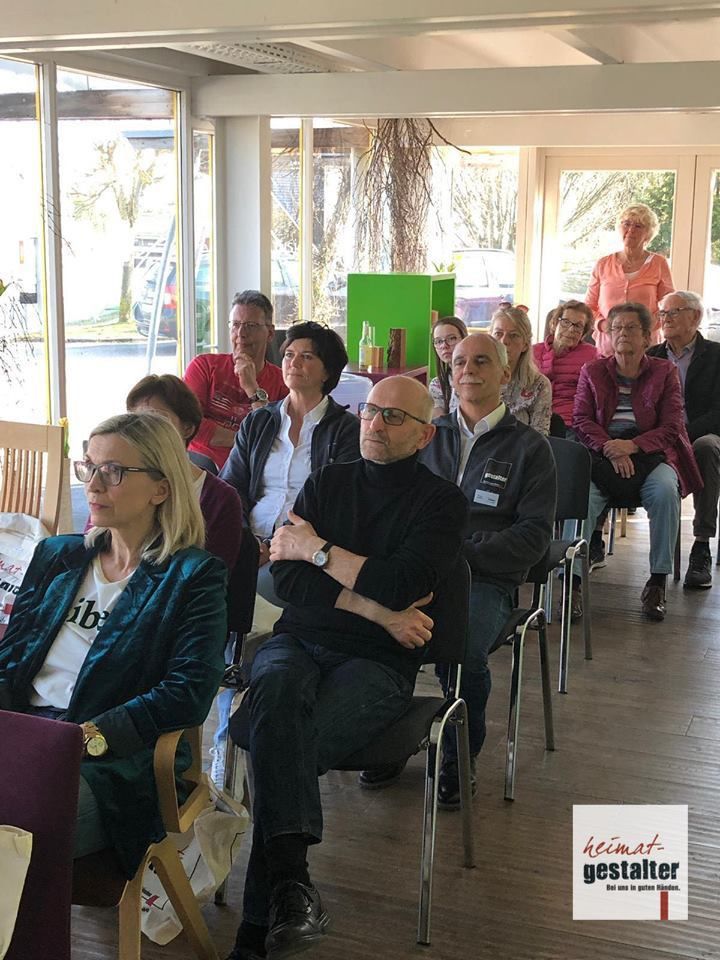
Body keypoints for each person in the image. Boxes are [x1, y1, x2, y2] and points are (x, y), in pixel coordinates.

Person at [224, 376, 467, 960]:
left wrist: (318, 551)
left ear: (424, 435)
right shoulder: (327, 483)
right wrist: (378, 611)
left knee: (281, 742)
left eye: (394, 417)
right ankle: (290, 893)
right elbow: (287, 580)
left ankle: (259, 928)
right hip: (299, 640)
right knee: (277, 693)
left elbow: (400, 582)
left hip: (379, 663)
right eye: (369, 411)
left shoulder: (441, 503)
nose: (375, 424)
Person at [0, 412, 227, 879]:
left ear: (161, 489)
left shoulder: (192, 577)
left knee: (16, 828)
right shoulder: (58, 555)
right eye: (90, 466)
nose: (94, 485)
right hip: (26, 734)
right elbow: (11, 659)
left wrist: (90, 737)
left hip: (114, 762)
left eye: (114, 471)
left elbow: (187, 692)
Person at [420, 333, 556, 808]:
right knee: (371, 631)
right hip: (419, 570)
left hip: (485, 579)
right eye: (459, 362)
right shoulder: (426, 435)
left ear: (505, 373)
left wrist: (462, 555)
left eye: (481, 361)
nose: (468, 370)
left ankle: (459, 753)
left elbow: (534, 536)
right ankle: (386, 730)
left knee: (460, 647)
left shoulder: (530, 448)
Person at [573, 302, 702, 621]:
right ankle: (572, 583)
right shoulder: (592, 371)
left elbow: (672, 426)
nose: (622, 334)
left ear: (647, 337)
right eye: (616, 328)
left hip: (650, 455)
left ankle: (657, 581)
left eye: (631, 328)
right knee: (582, 497)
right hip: (602, 454)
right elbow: (582, 419)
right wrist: (610, 447)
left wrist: (631, 446)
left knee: (664, 491)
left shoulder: (664, 372)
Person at [220, 321, 360, 603]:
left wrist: (276, 544)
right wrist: (247, 542)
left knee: (259, 592)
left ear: (327, 371)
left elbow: (339, 504)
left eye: (306, 356)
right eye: (288, 355)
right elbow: (231, 487)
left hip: (305, 547)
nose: (293, 363)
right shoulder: (259, 421)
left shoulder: (346, 430)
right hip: (249, 541)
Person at [126, 374, 243, 571]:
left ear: (187, 428)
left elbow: (214, 575)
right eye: (135, 420)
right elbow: (95, 547)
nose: (143, 430)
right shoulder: (120, 481)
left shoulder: (220, 499)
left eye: (156, 419)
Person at [647, 291, 720, 589]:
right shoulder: (651, 356)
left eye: (674, 312)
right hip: (659, 438)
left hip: (702, 434)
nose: (666, 318)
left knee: (706, 448)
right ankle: (596, 537)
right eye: (663, 313)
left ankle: (701, 544)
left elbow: (718, 412)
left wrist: (682, 436)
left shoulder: (716, 356)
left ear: (696, 316)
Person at [184, 290, 288, 469]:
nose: (241, 333)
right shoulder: (204, 366)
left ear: (270, 333)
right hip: (199, 468)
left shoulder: (282, 382)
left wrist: (252, 388)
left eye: (250, 325)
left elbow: (275, 436)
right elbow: (189, 425)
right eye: (235, 324)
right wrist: (248, 439)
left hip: (252, 472)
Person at [585, 203, 674, 357]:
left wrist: (647, 327)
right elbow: (588, 307)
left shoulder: (659, 263)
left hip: (646, 346)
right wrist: (603, 325)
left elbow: (669, 305)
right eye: (626, 224)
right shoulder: (603, 264)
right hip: (607, 345)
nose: (631, 230)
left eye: (638, 226)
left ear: (648, 234)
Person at [533, 300, 597, 432]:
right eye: (566, 322)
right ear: (554, 324)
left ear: (583, 333)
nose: (571, 329)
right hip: (533, 419)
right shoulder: (533, 351)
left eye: (578, 326)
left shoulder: (592, 355)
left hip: (569, 423)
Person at [489, 306, 552, 435]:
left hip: (520, 447)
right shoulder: (474, 377)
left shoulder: (539, 384)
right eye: (498, 334)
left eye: (513, 336)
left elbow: (539, 437)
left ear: (525, 345)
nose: (504, 341)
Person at [429, 315, 467, 418]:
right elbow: (440, 422)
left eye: (451, 338)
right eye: (438, 341)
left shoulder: (480, 376)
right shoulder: (437, 384)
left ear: (465, 339)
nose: (444, 346)